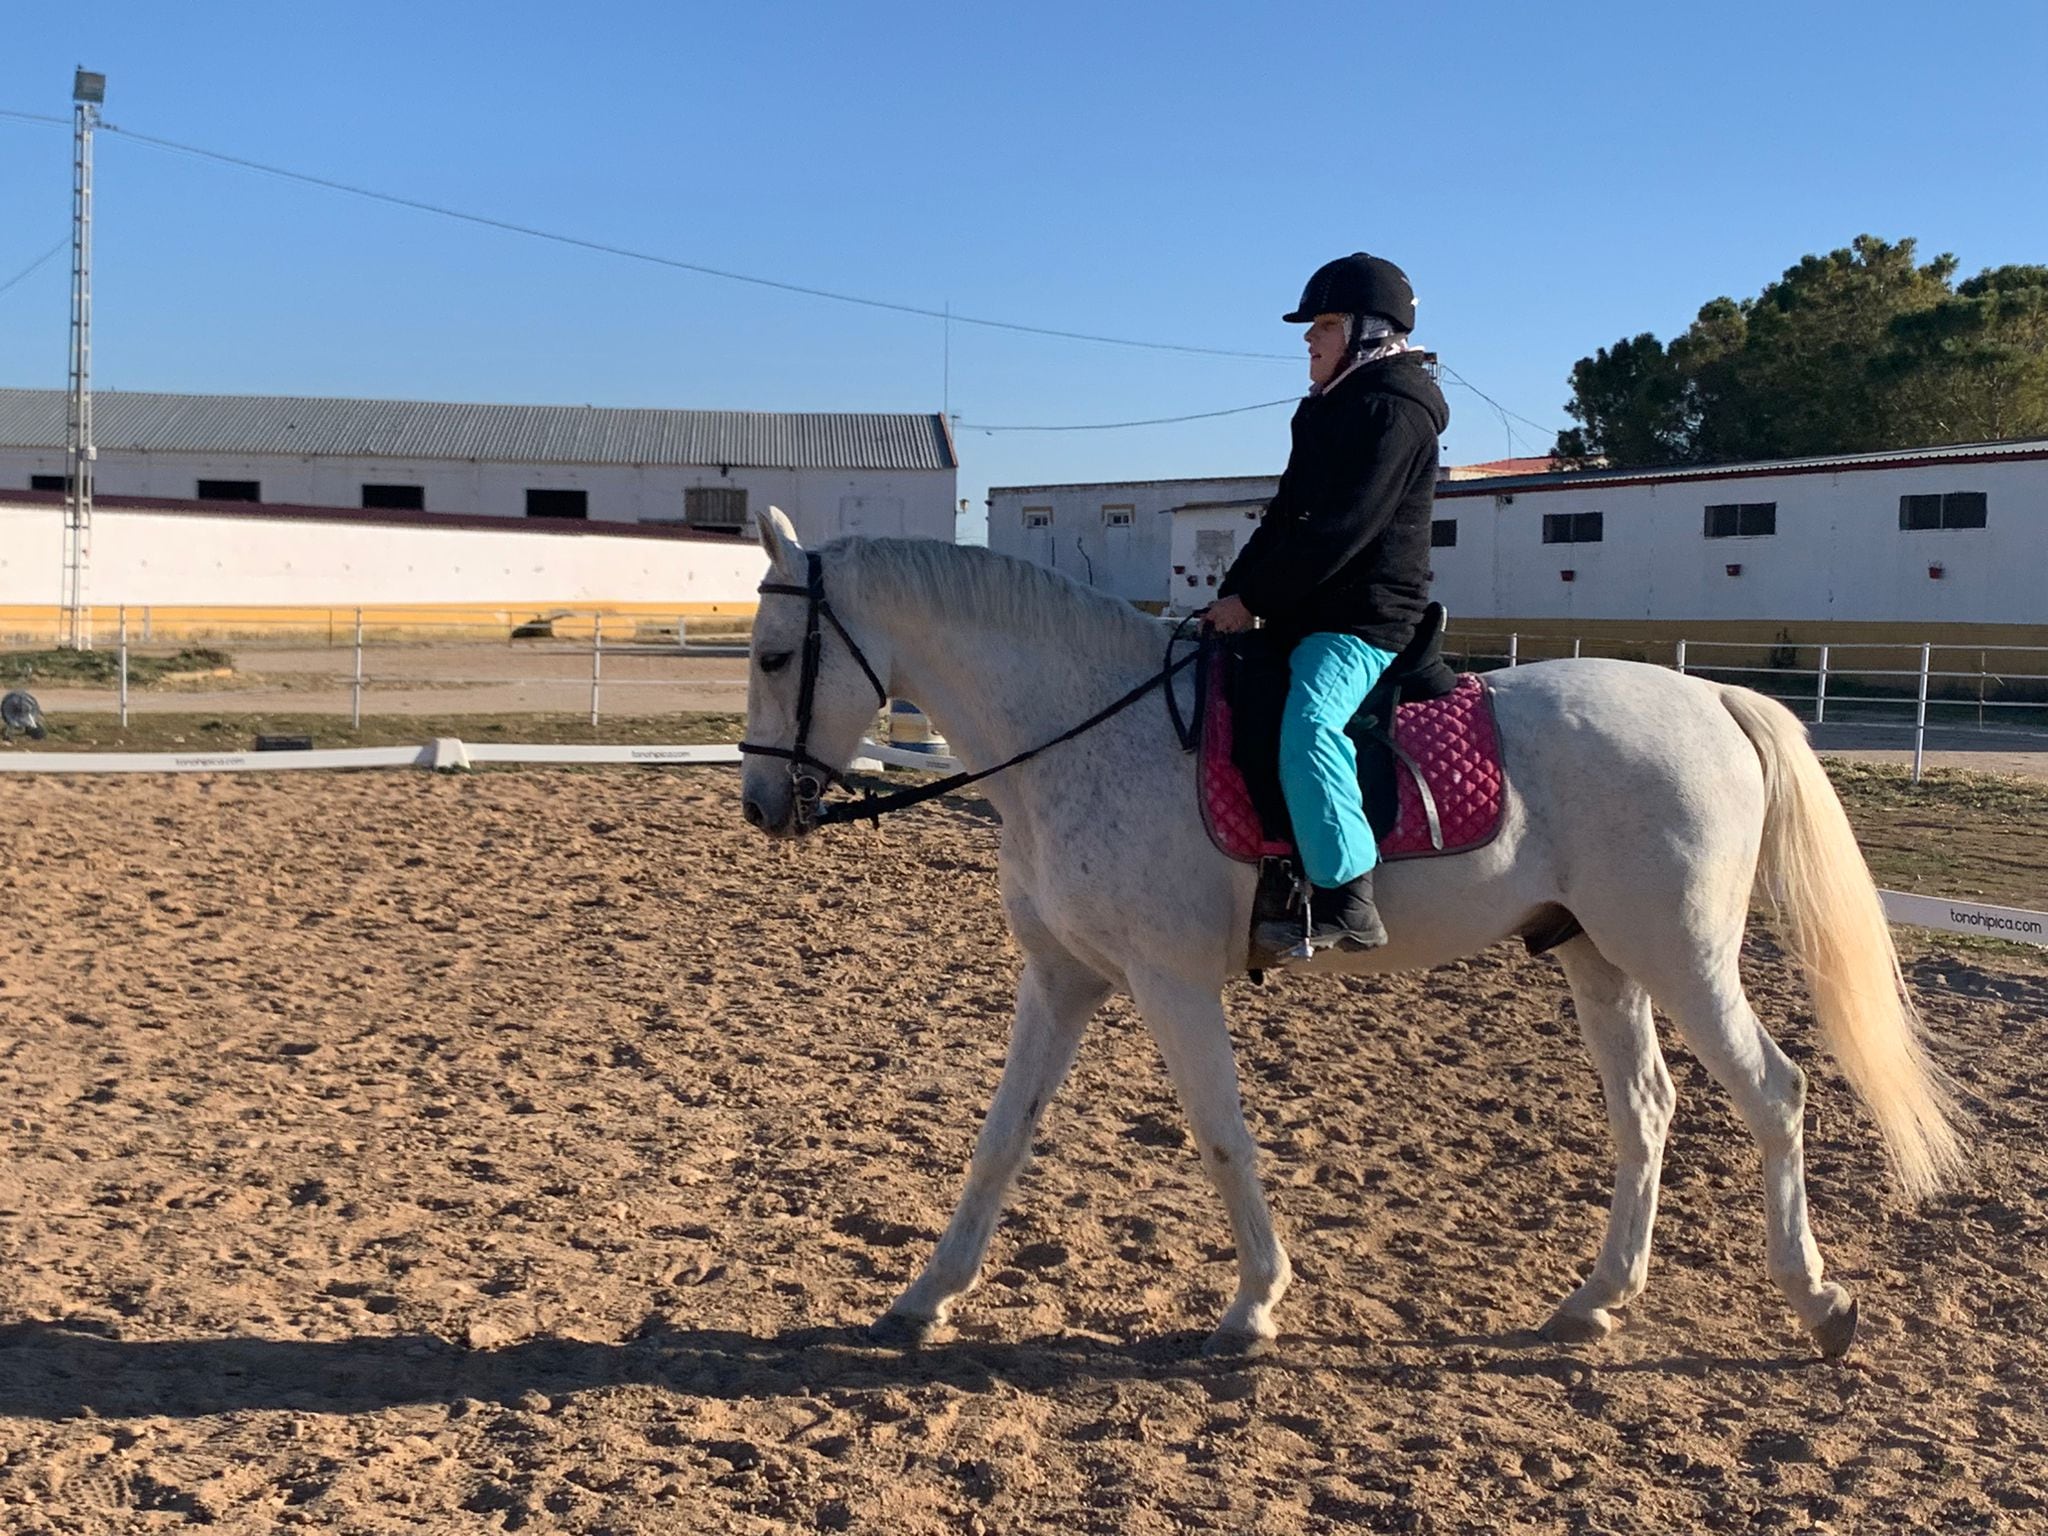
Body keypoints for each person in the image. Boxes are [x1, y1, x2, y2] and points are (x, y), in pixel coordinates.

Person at [1205, 253, 1450, 952]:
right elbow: (1285, 519)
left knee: (1310, 726)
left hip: (1363, 617)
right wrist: (1232, 596)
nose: (1309, 338)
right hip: (1310, 608)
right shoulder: (1329, 408)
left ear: (1370, 331)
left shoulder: (1394, 412)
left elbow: (1342, 530)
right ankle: (1276, 866)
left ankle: (1348, 895)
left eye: (1326, 324)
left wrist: (1257, 597)